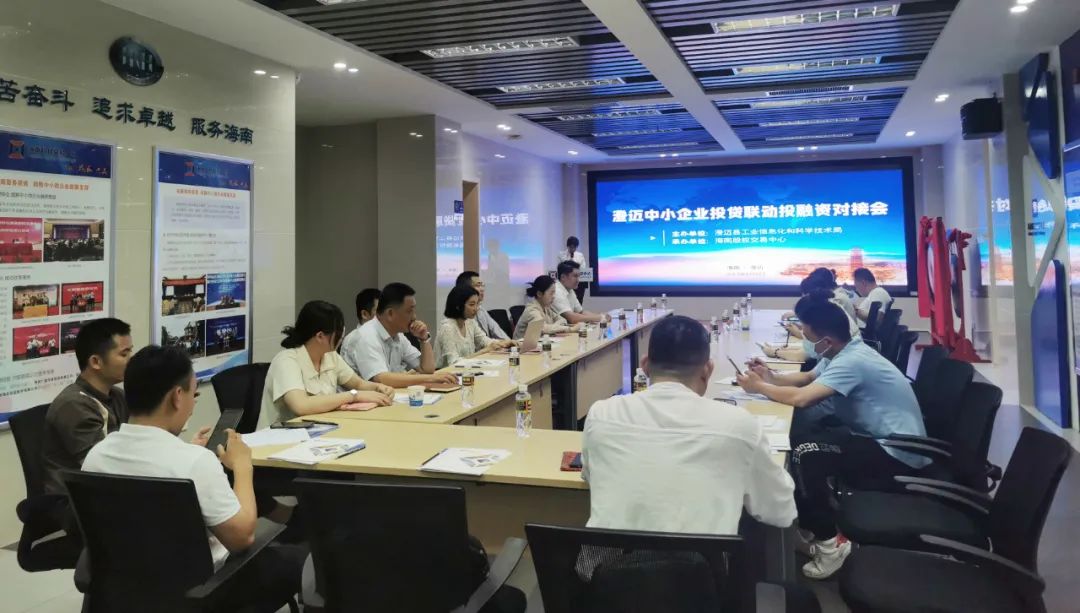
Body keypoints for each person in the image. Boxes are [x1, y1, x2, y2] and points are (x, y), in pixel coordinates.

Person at [83, 346, 304, 611]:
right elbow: (242, 537)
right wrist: (243, 467)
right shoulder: (195, 463)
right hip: (205, 593)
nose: (192, 405)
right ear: (177, 397)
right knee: (299, 558)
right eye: (193, 393)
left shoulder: (96, 456)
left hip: (125, 592)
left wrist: (189, 452)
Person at [735, 299, 928, 580]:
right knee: (800, 434)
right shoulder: (842, 351)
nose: (805, 339)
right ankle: (806, 523)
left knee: (805, 452)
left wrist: (760, 387)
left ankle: (830, 544)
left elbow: (803, 398)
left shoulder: (852, 362)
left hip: (895, 452)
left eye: (807, 334)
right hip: (875, 438)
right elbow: (806, 379)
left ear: (825, 340)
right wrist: (769, 376)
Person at [583, 314, 796, 536]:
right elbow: (780, 512)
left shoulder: (601, 414)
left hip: (607, 557)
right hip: (703, 558)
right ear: (708, 370)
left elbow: (591, 476)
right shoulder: (740, 425)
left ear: (645, 365)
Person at [41, 318, 133, 529]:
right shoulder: (73, 405)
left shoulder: (116, 395)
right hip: (74, 504)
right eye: (124, 354)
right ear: (95, 362)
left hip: (107, 492)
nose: (131, 360)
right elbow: (102, 467)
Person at [260, 300, 393, 428]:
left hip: (320, 430)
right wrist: (354, 395)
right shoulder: (286, 360)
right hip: (281, 436)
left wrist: (378, 388)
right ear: (320, 336)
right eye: (338, 333)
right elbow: (301, 405)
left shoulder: (330, 356)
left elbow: (357, 384)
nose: (341, 338)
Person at [340, 282, 458, 388]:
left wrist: (423, 339)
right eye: (409, 311)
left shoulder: (398, 335)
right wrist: (431, 379)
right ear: (390, 313)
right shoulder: (365, 336)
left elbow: (427, 369)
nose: (414, 317)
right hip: (356, 402)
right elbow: (382, 379)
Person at [435, 284, 516, 368]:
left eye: (477, 304)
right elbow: (453, 363)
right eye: (472, 304)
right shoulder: (447, 328)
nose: (476, 308)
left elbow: (485, 341)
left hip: (466, 371)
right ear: (458, 306)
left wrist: (506, 343)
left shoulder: (470, 322)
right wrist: (484, 351)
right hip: (445, 373)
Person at [456, 270, 510, 341]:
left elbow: (498, 332)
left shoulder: (481, 310)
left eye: (482, 285)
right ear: (465, 288)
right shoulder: (462, 316)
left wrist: (511, 343)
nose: (482, 289)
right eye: (478, 285)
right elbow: (478, 343)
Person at [552, 260, 607, 325]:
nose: (578, 280)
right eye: (575, 276)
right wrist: (600, 317)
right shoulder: (556, 291)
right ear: (563, 277)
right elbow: (572, 318)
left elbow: (581, 312)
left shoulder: (570, 289)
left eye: (579, 276)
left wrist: (602, 316)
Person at [557, 236, 588, 304]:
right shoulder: (561, 254)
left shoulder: (580, 255)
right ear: (567, 246)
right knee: (567, 300)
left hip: (579, 282)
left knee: (578, 300)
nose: (572, 249)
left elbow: (583, 268)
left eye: (574, 247)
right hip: (567, 281)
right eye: (571, 247)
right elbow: (560, 267)